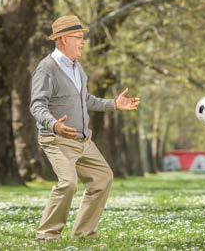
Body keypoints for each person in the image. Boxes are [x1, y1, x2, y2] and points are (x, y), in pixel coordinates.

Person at [30, 15, 140, 240]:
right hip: (56, 139)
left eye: (83, 38)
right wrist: (54, 125)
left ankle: (83, 233)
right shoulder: (46, 69)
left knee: (103, 177)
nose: (82, 43)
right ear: (62, 40)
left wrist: (113, 105)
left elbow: (85, 99)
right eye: (78, 38)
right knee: (69, 183)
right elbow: (37, 105)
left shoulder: (77, 67)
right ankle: (47, 234)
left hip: (82, 140)